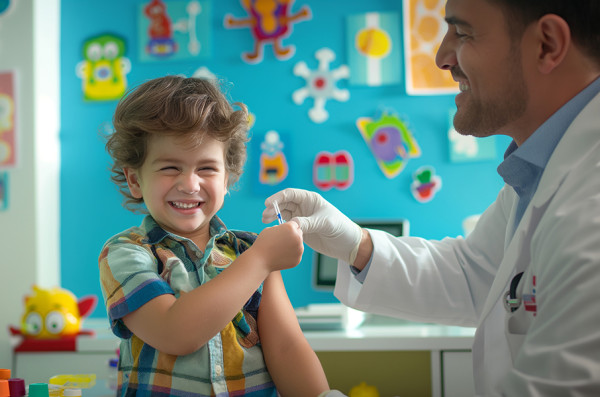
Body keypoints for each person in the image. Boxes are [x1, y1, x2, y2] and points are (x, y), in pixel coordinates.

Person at [263, 0, 600, 395]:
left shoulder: (588, 208)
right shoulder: (545, 171)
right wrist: (357, 244)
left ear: (546, 44)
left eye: (463, 32)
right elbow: (477, 274)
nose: (442, 57)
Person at [99, 75, 332, 396]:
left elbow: (287, 348)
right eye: (170, 167)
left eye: (207, 169)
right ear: (135, 180)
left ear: (226, 178)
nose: (190, 184)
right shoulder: (126, 252)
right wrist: (262, 259)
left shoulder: (250, 249)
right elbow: (174, 332)